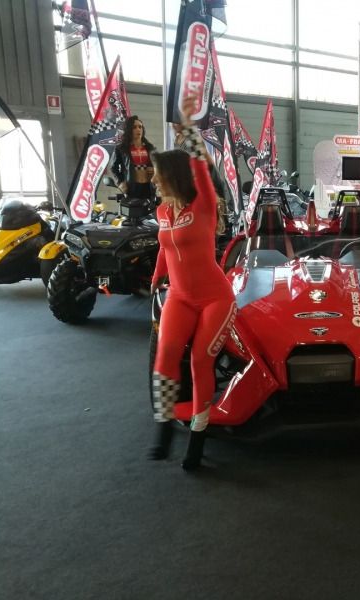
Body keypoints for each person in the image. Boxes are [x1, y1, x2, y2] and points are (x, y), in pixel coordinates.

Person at [147, 96, 237, 471]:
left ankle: (198, 436)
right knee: (166, 355)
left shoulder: (203, 203)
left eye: (158, 173)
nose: (153, 179)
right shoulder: (162, 211)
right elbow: (165, 249)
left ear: (174, 176)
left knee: (201, 360)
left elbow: (201, 166)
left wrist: (188, 131)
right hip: (180, 297)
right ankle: (164, 425)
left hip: (215, 298)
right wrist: (156, 279)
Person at [112, 115, 156, 201]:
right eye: (134, 127)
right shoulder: (121, 148)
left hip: (149, 187)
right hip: (131, 188)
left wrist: (154, 169)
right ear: (129, 130)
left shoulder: (150, 148)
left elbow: (159, 165)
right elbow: (113, 167)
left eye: (140, 127)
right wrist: (120, 182)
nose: (138, 129)